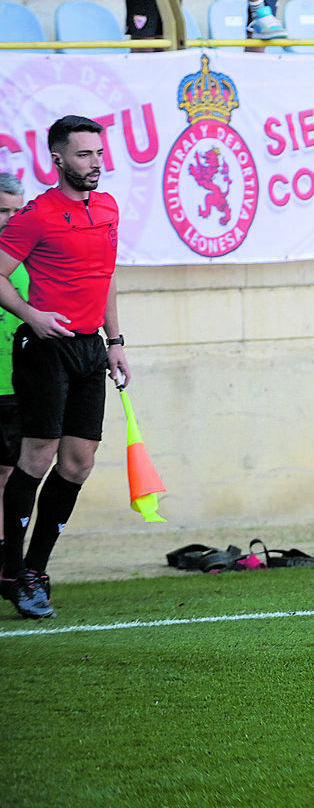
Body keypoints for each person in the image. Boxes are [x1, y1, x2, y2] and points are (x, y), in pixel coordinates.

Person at [0, 117, 129, 620]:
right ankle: (13, 570)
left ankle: (34, 568)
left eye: (98, 153)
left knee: (79, 462)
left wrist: (115, 342)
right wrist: (31, 314)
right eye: (83, 154)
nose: (95, 163)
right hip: (46, 349)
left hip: (91, 349)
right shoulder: (36, 215)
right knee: (37, 454)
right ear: (58, 160)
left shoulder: (110, 208)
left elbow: (107, 276)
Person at [0, 175, 25, 548]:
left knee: (10, 473)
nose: (9, 219)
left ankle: (9, 557)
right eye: (2, 210)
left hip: (18, 385)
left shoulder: (31, 255)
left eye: (17, 212)